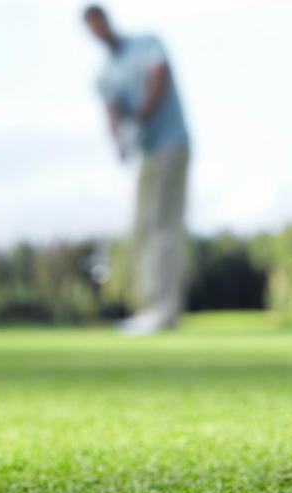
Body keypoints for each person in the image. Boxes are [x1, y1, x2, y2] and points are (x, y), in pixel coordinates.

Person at [83, 5, 191, 335]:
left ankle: (163, 310)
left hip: (171, 142)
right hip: (146, 152)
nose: (97, 32)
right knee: (143, 226)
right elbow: (112, 111)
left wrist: (137, 121)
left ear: (106, 21)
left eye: (98, 23)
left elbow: (159, 77)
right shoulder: (104, 75)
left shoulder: (146, 44)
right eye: (90, 29)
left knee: (162, 225)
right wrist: (120, 140)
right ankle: (150, 307)